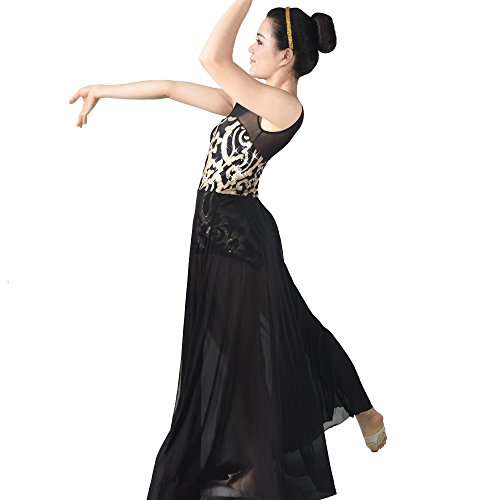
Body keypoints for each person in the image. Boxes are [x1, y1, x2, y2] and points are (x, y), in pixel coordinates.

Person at [69, 2, 387, 499]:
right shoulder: (247, 100)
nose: (250, 49)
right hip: (212, 239)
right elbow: (171, 88)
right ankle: (357, 413)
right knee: (283, 334)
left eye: (260, 41)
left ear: (286, 57)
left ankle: (261, 468)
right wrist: (103, 90)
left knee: (256, 353)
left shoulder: (284, 108)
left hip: (240, 243)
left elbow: (211, 57)